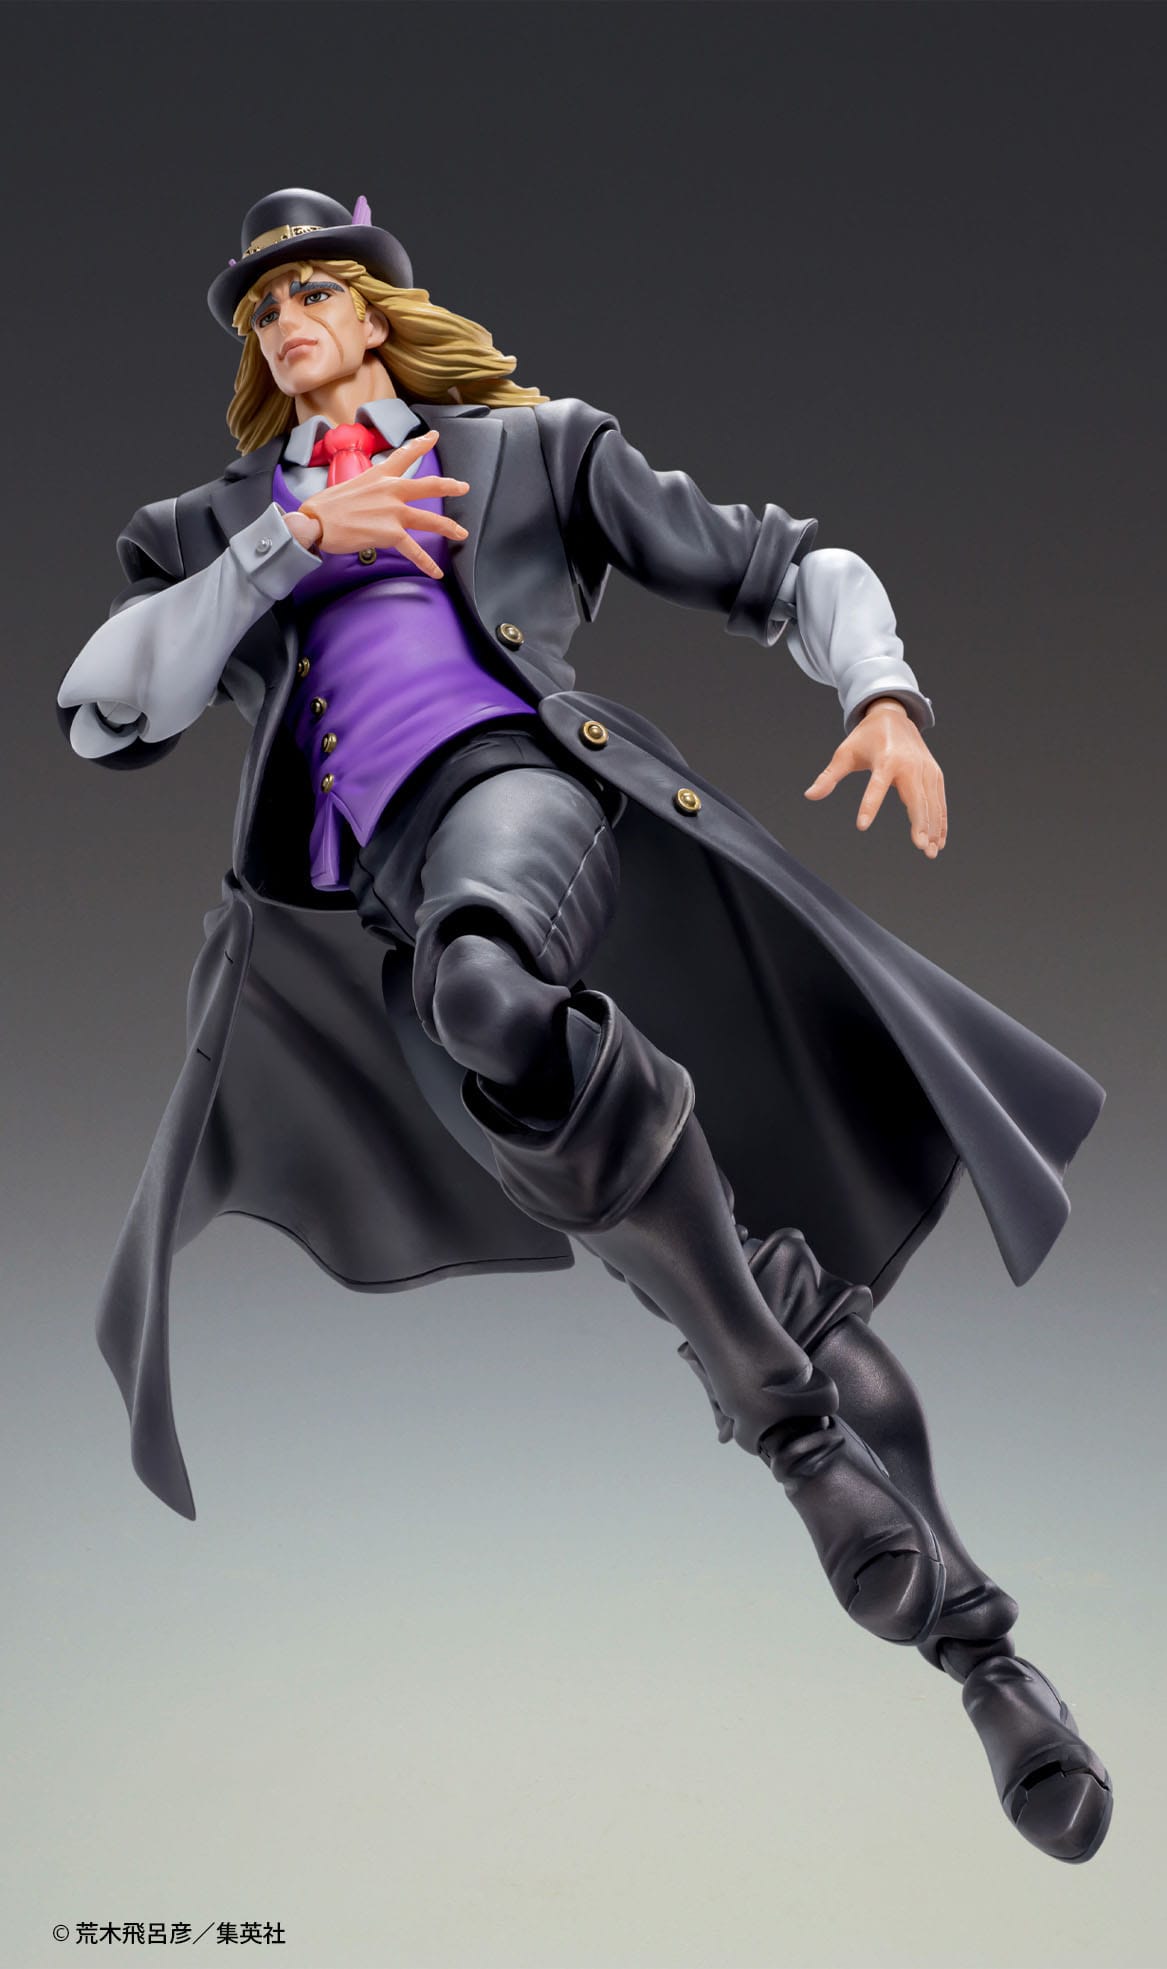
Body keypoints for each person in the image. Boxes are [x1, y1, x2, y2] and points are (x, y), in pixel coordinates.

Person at [57, 187, 1112, 1862]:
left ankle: (782, 1424)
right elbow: (108, 708)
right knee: (745, 1276)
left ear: (378, 309)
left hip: (522, 807)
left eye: (314, 292)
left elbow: (777, 563)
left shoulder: (531, 451)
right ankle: (988, 1664)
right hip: (392, 925)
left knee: (490, 989)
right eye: (263, 311)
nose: (287, 324)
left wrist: (885, 688)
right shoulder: (223, 524)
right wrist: (291, 545)